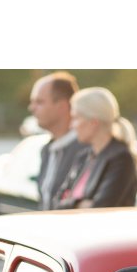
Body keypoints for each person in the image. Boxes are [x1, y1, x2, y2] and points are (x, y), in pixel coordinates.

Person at [58, 88, 137, 209]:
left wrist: (70, 202)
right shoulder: (83, 157)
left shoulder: (121, 158)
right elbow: (57, 202)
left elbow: (101, 207)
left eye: (75, 118)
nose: (71, 126)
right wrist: (80, 204)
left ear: (93, 122)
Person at [28, 72, 88, 209]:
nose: (31, 108)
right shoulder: (47, 150)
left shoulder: (85, 150)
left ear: (62, 106)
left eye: (39, 102)